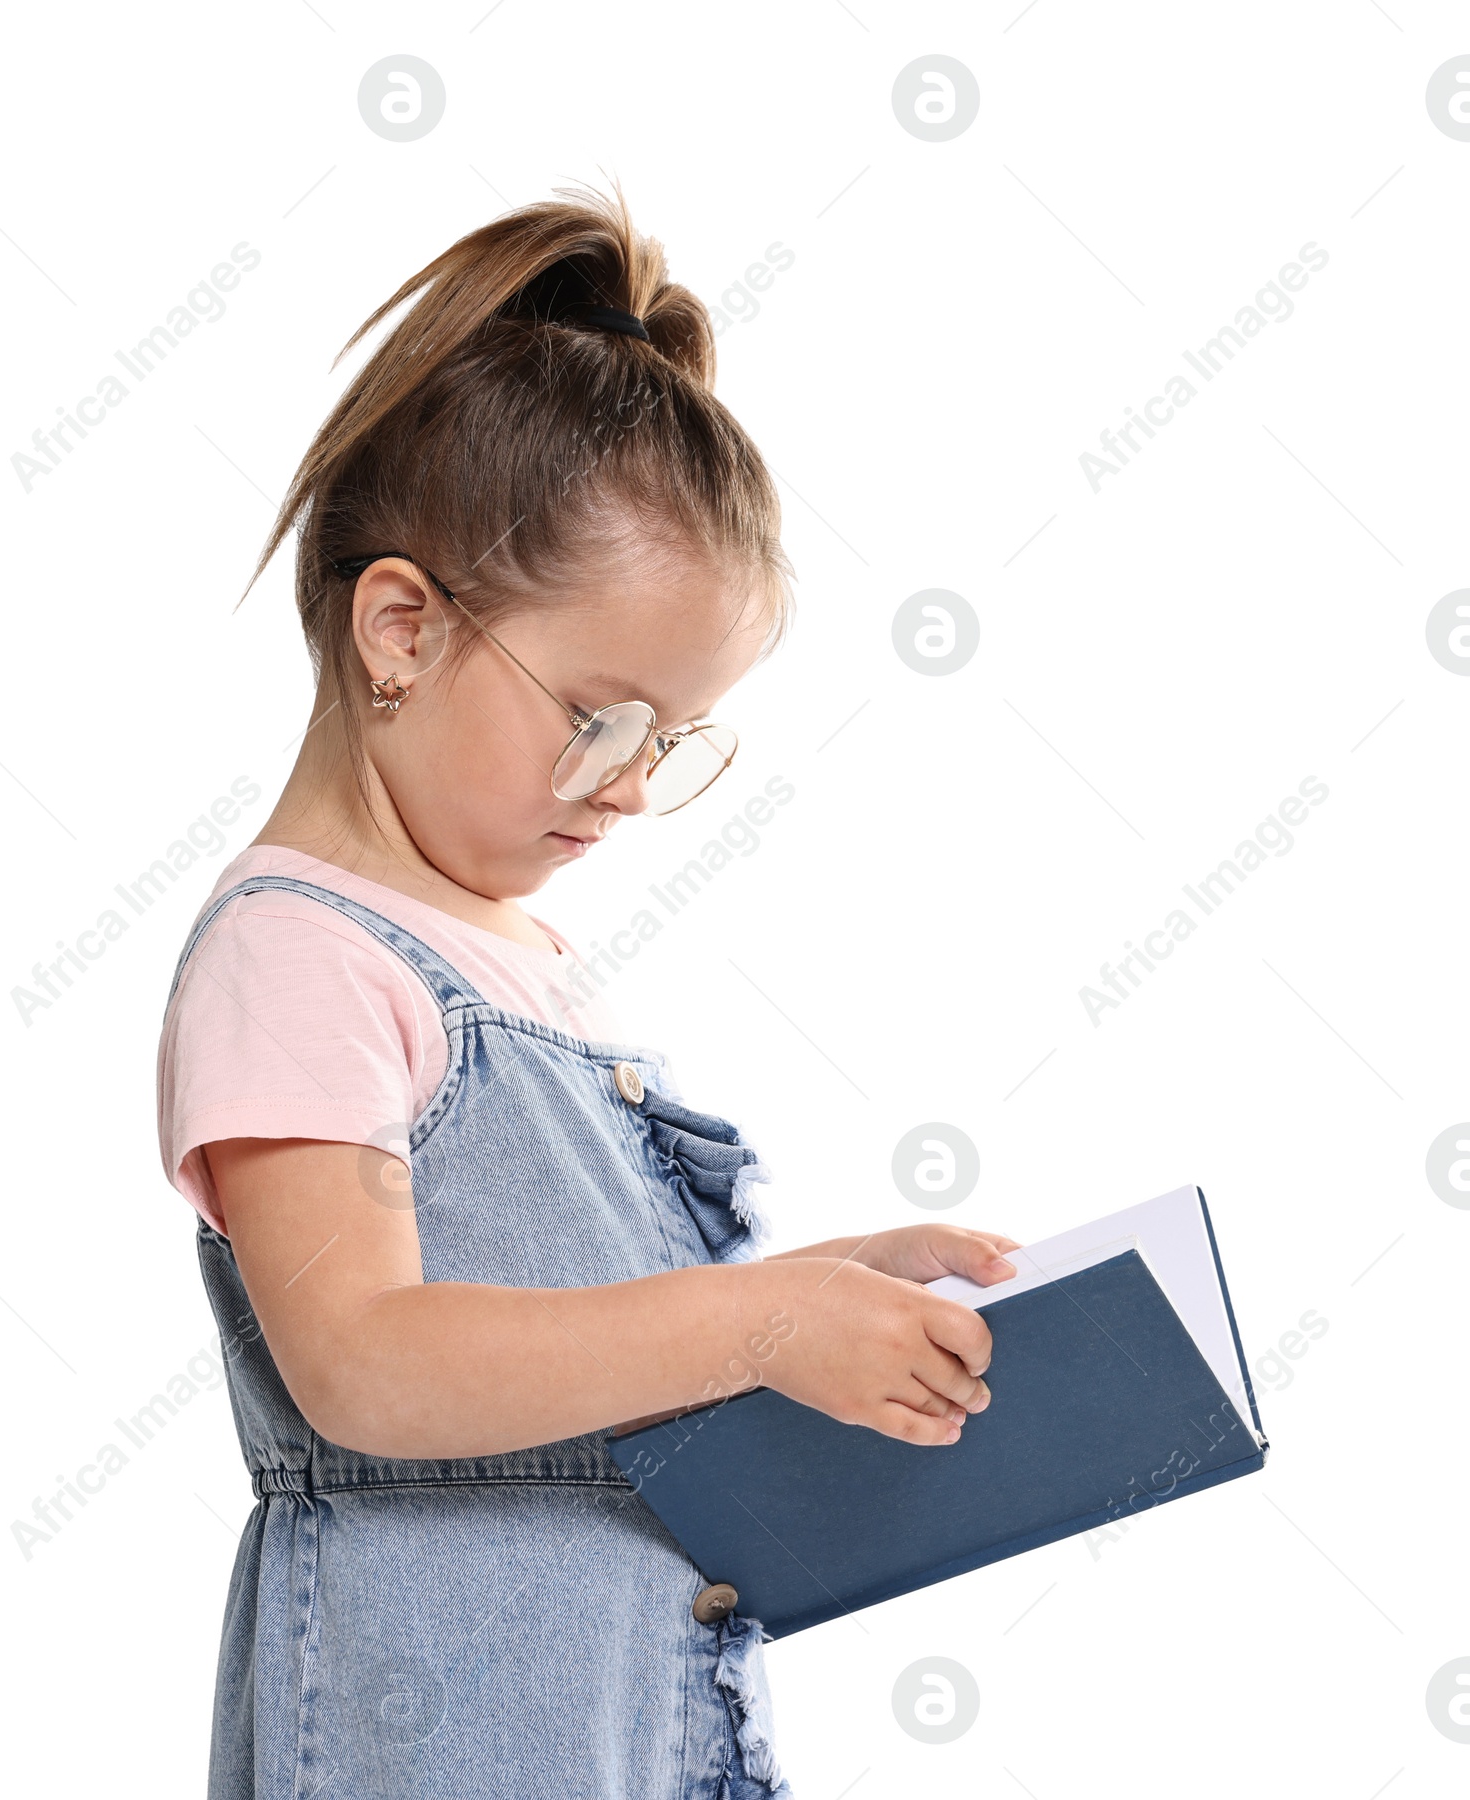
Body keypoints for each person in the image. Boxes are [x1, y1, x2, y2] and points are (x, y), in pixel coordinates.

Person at [156, 180, 1022, 1800]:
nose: (626, 789)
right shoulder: (299, 952)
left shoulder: (523, 958)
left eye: (672, 744)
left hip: (619, 1732)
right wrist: (762, 1320)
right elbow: (366, 1359)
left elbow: (579, 1324)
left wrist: (841, 1286)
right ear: (401, 629)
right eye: (603, 719)